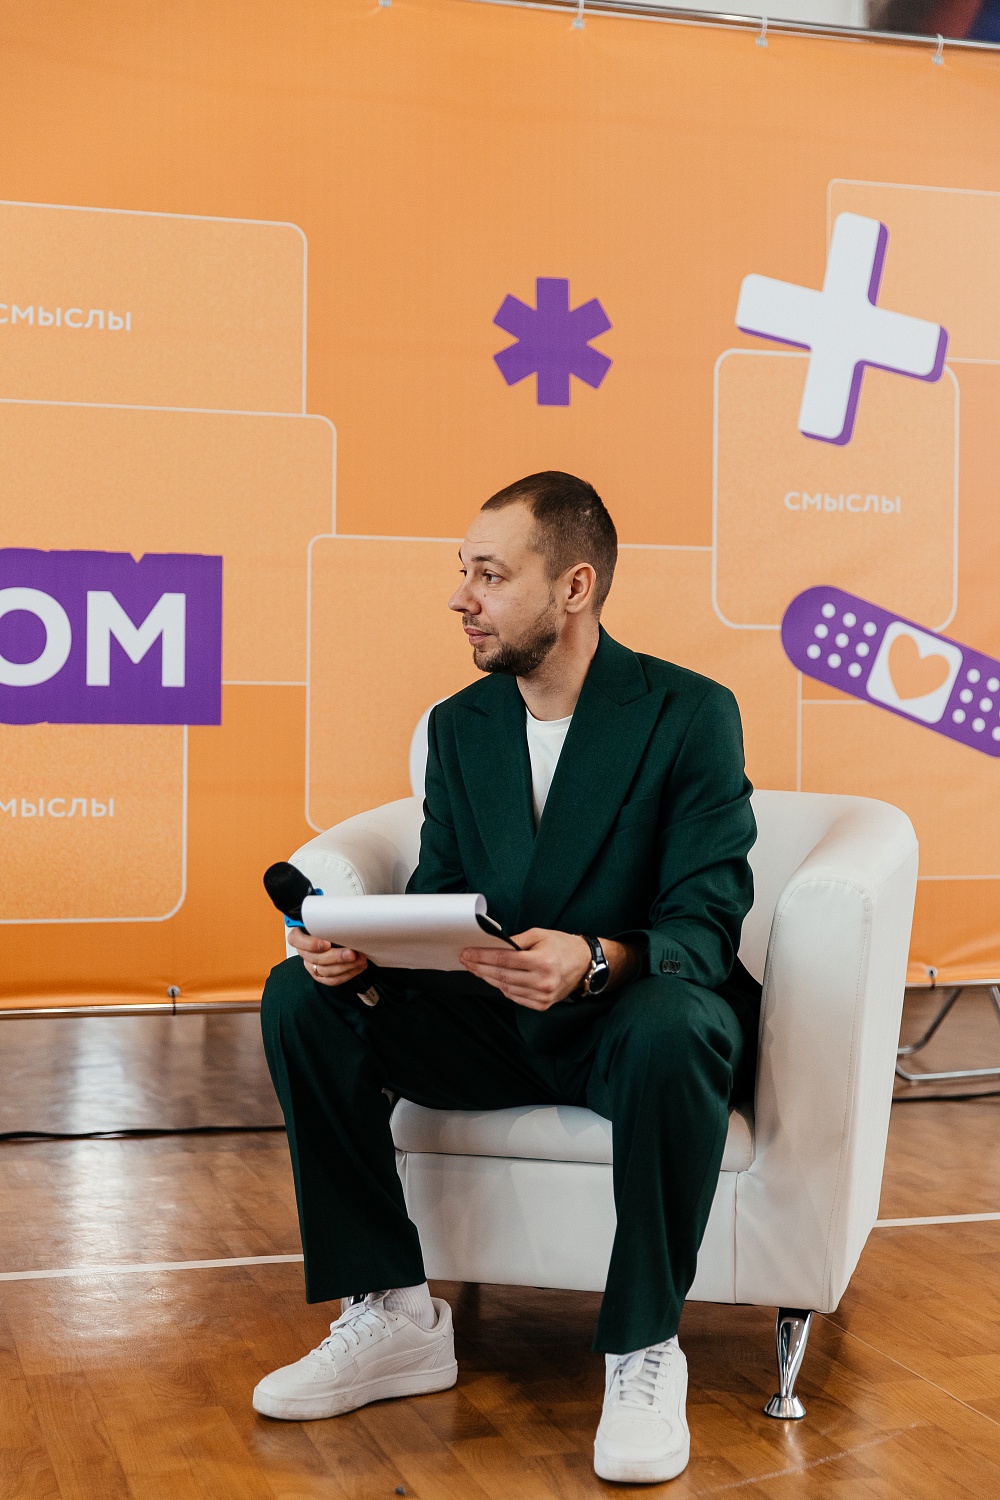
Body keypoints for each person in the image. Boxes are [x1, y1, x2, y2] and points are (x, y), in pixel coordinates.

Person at [255, 471, 761, 1484]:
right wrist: (366, 955)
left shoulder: (690, 713)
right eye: (463, 573)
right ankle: (394, 1311)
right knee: (301, 997)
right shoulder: (460, 725)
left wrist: (597, 959)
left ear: (573, 587)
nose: (462, 599)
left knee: (678, 1022)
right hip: (490, 1021)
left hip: (625, 1028)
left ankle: (643, 1346)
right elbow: (444, 896)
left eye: (489, 575)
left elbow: (706, 922)